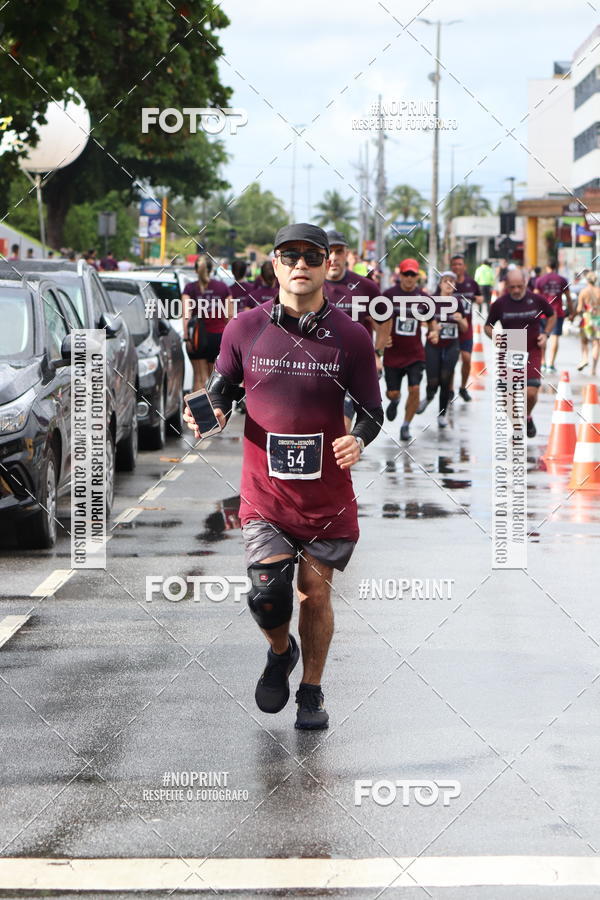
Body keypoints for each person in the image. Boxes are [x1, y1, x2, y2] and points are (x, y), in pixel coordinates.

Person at [183, 224, 383, 730]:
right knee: (268, 593)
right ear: (274, 264)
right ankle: (280, 650)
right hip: (265, 494)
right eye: (289, 255)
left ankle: (312, 692)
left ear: (325, 266)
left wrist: (356, 439)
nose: (301, 265)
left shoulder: (351, 337)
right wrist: (211, 411)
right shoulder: (244, 328)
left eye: (311, 257)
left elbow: (372, 412)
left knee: (315, 593)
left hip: (325, 496)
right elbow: (223, 388)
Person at [324, 229, 384, 432]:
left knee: (343, 422)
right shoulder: (309, 286)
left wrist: (377, 353)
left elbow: (385, 321)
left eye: (339, 251)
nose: (333, 257)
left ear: (347, 254)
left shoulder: (366, 287)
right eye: (329, 251)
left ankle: (341, 460)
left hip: (353, 366)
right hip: (317, 365)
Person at [485, 268, 556, 437]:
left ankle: (527, 416)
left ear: (525, 283)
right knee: (507, 396)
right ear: (506, 286)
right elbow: (488, 326)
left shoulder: (536, 300)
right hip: (511, 348)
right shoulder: (500, 304)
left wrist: (546, 334)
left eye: (519, 286)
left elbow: (551, 316)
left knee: (531, 392)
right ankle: (516, 426)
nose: (516, 290)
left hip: (532, 348)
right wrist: (496, 337)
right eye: (512, 287)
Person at [380, 258, 437, 440]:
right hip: (393, 354)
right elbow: (377, 320)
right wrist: (383, 336)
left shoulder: (423, 298)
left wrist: (434, 333)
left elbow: (432, 323)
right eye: (406, 274)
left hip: (415, 354)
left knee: (415, 389)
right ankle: (395, 400)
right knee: (392, 392)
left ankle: (405, 425)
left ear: (417, 276)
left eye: (413, 274)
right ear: (400, 275)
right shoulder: (388, 295)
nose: (410, 278)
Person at [416, 271, 468, 428]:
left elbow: (465, 328)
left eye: (452, 281)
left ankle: (441, 415)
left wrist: (460, 321)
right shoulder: (431, 301)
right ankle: (429, 395)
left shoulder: (458, 303)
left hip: (452, 345)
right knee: (433, 379)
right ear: (440, 284)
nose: (449, 284)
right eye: (446, 281)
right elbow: (418, 319)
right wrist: (431, 326)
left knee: (446, 379)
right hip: (433, 345)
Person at [182, 255, 232, 391]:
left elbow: (186, 315)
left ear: (196, 270)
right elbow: (230, 316)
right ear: (211, 270)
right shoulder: (223, 288)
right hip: (218, 337)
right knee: (214, 378)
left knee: (198, 377)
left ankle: (197, 412)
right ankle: (213, 410)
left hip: (197, 338)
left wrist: (187, 338)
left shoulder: (189, 288)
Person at [449, 254, 483, 402]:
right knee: (450, 361)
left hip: (466, 327)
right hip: (449, 327)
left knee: (467, 358)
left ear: (465, 267)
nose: (457, 267)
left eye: (460, 264)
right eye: (454, 264)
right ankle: (449, 390)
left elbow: (480, 297)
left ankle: (463, 387)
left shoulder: (471, 283)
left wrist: (476, 298)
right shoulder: (448, 283)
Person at [534, 260, 574, 373]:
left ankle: (543, 362)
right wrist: (572, 313)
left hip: (542, 313)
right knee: (555, 337)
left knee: (543, 336)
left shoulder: (540, 280)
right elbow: (569, 298)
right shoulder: (562, 280)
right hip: (557, 312)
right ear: (556, 267)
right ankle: (551, 364)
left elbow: (536, 297)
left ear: (547, 267)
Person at [577, 271, 600, 375]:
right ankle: (594, 369)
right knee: (596, 343)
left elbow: (579, 308)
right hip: (598, 319)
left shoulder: (583, 292)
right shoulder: (599, 291)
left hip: (587, 319)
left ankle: (585, 359)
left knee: (584, 341)